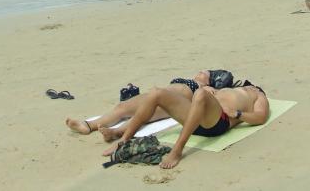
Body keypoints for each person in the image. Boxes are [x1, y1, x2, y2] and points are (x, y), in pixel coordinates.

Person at [104, 83, 270, 169]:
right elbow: (204, 95)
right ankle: (124, 139)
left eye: (251, 86)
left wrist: (239, 114)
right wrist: (210, 90)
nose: (249, 85)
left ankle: (177, 150)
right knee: (156, 92)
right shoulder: (231, 89)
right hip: (196, 116)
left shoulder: (257, 94)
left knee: (200, 94)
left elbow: (261, 117)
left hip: (218, 122)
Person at [65, 69, 228, 137]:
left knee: (142, 115)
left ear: (212, 81)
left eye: (206, 73)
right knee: (122, 107)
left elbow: (210, 100)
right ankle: (88, 125)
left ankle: (116, 132)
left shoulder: (206, 88)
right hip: (158, 94)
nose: (202, 72)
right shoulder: (189, 79)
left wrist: (211, 90)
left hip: (170, 102)